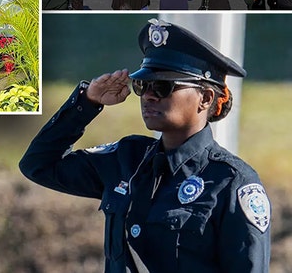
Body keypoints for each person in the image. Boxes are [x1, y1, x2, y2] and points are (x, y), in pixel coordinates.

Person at [19, 19, 271, 272]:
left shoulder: (231, 181)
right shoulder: (127, 159)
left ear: (205, 98)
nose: (149, 95)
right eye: (143, 85)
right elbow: (38, 164)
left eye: (163, 86)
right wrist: (87, 102)